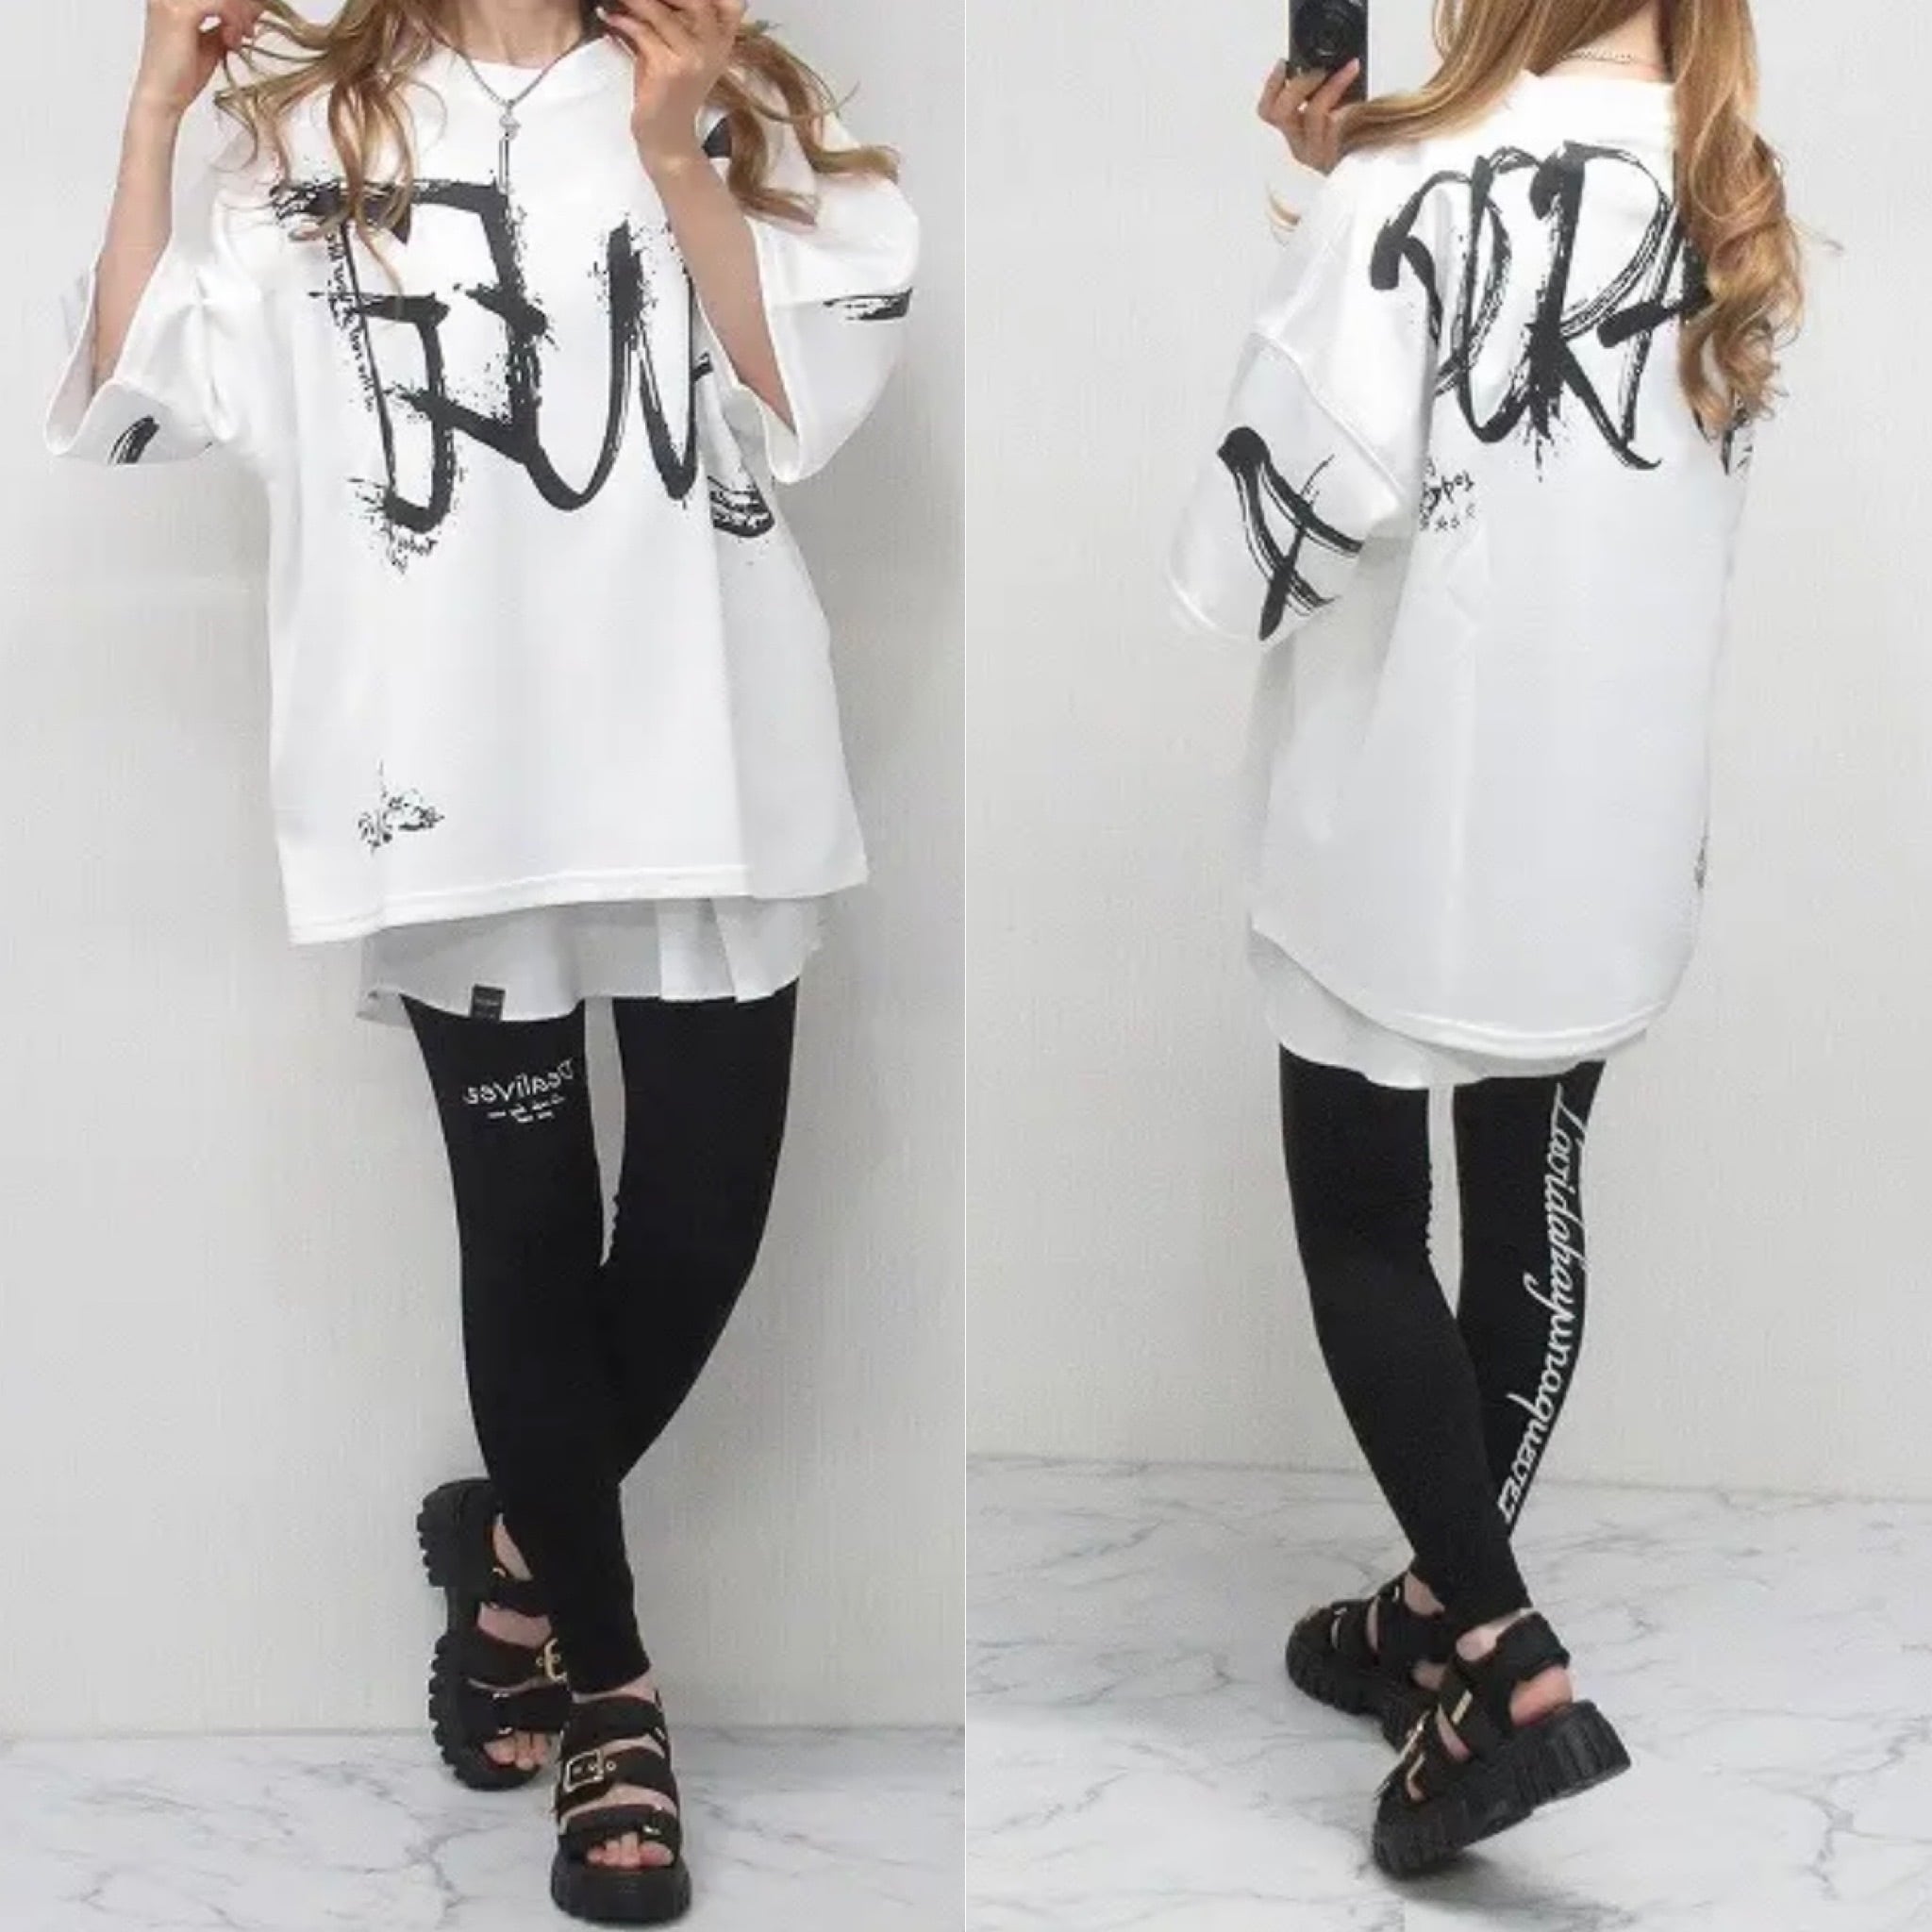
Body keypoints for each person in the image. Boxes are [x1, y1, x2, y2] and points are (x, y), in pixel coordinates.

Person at [47, 0, 918, 1921]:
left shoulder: (725, 87)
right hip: (451, 780)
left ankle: (512, 1553)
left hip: (711, 751)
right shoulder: (314, 125)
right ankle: (611, 1693)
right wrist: (156, 111)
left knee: (700, 1227)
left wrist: (681, 151)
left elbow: (805, 407)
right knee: (523, 1234)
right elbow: (138, 391)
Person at [1167, 0, 1799, 1877]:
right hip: (1607, 829)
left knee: (1362, 1216)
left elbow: (1273, 536)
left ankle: (1503, 1658)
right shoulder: (1731, 192)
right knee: (1527, 1192)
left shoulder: (1409, 189)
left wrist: (1338, 215)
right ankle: (1437, 1613)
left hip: (1402, 824)